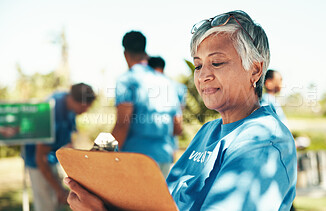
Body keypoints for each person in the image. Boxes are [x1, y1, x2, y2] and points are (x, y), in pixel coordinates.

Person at [65, 10, 297, 210]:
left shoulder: (263, 142)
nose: (203, 75)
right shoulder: (209, 131)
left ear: (255, 71)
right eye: (198, 65)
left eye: (216, 62)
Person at [111, 31, 182, 178]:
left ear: (125, 53)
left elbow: (123, 124)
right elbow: (177, 126)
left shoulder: (127, 80)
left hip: (135, 159)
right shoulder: (168, 82)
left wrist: (106, 155)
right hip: (164, 157)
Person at [24, 83, 96, 211]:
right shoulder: (52, 111)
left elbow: (69, 142)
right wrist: (59, 190)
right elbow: (40, 157)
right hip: (37, 163)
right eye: (87, 107)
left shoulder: (70, 106)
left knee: (57, 202)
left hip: (53, 158)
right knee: (46, 205)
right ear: (82, 104)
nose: (86, 111)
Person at [148, 56, 185, 160]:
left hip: (144, 148)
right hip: (168, 145)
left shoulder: (145, 86)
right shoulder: (177, 86)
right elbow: (178, 121)